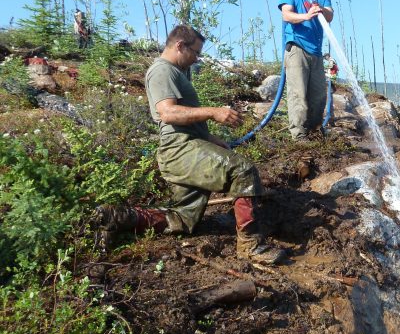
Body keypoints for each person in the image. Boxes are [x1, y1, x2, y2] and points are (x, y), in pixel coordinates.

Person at [94, 25, 285, 265]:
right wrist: (214, 112)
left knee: (183, 219)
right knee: (243, 171)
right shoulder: (162, 71)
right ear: (180, 46)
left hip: (188, 145)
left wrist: (214, 141)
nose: (197, 58)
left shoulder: (178, 72)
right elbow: (168, 113)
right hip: (180, 150)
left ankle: (118, 217)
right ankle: (250, 246)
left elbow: (186, 120)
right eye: (195, 52)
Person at [278, 0, 334, 141]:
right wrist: (306, 15)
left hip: (316, 51)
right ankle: (299, 134)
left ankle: (315, 130)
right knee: (298, 93)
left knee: (318, 94)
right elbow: (286, 14)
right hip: (297, 47)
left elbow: (330, 15)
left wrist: (319, 9)